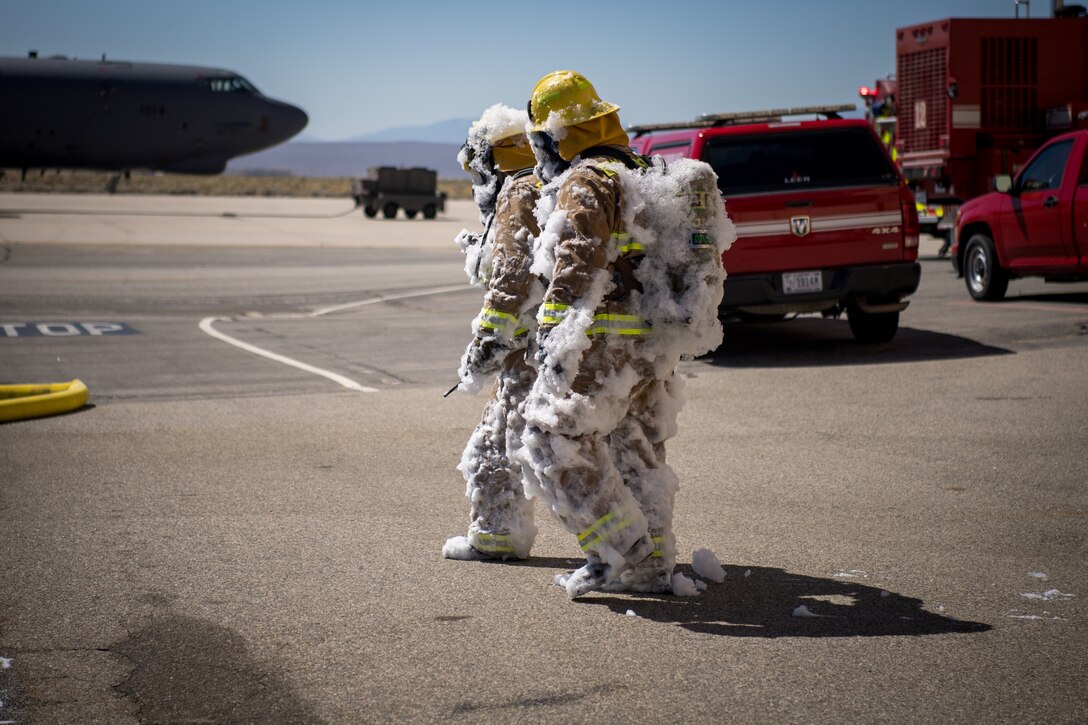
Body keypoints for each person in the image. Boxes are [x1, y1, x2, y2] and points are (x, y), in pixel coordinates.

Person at [515, 70, 693, 598]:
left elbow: (577, 262)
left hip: (602, 341)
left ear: (559, 133)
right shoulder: (639, 169)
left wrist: (552, 339)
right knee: (632, 447)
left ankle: (623, 556)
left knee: (550, 438)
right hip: (650, 346)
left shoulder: (587, 179)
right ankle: (655, 565)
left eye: (543, 138)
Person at [443, 105, 544, 562]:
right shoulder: (546, 185)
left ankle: (496, 537)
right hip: (557, 347)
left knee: (493, 452)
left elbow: (512, 278)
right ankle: (645, 548)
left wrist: (483, 347)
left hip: (531, 351)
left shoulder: (519, 193)